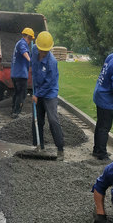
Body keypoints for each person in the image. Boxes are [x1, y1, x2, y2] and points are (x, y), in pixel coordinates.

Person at [31, 31, 64, 159]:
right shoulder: (34, 50)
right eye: (41, 50)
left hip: (49, 93)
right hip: (37, 89)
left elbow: (49, 83)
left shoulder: (52, 62)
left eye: (45, 51)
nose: (43, 53)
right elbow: (32, 63)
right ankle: (39, 145)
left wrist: (37, 94)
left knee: (52, 119)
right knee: (37, 119)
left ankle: (60, 148)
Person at [10, 27, 35, 118]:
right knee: (22, 94)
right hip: (20, 74)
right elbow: (25, 53)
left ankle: (14, 111)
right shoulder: (22, 44)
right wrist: (31, 61)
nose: (31, 41)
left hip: (15, 73)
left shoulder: (19, 43)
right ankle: (16, 112)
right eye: (31, 38)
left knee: (17, 93)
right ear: (28, 37)